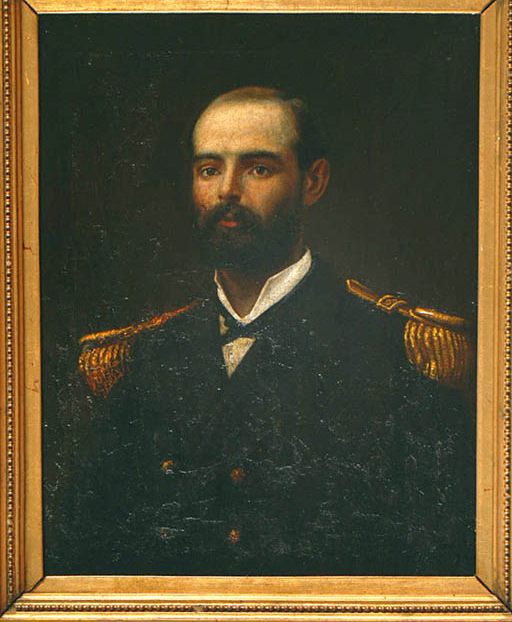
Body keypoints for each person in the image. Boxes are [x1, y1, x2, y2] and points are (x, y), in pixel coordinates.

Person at [45, 87, 475, 576]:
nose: (227, 190)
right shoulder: (144, 357)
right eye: (210, 169)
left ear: (313, 181)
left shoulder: (396, 353)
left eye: (258, 169)